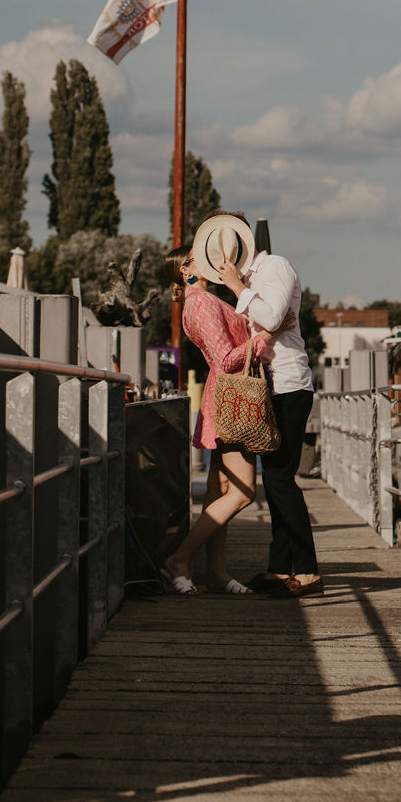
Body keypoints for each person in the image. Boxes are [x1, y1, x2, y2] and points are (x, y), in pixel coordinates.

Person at [159, 244, 273, 596]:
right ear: (187, 270)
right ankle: (180, 559)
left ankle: (218, 573)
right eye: (199, 256)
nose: (210, 259)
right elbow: (225, 359)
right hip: (233, 398)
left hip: (224, 395)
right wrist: (263, 338)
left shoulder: (200, 301)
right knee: (243, 493)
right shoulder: (201, 303)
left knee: (219, 490)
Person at [216, 230, 323, 597]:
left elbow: (274, 315)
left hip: (290, 385)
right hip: (273, 386)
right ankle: (279, 568)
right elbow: (272, 324)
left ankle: (307, 571)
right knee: (276, 477)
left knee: (279, 479)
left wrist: (236, 288)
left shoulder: (275, 266)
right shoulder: (253, 278)